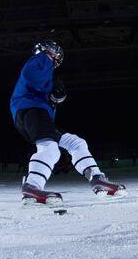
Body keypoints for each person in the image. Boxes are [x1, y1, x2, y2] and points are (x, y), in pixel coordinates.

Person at [10, 40, 126, 205]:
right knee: (51, 149)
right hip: (31, 110)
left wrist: (54, 99)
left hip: (32, 113)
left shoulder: (45, 68)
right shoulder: (43, 59)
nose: (55, 54)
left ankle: (97, 179)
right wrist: (51, 89)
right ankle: (32, 187)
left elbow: (37, 87)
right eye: (54, 51)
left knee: (76, 143)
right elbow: (30, 75)